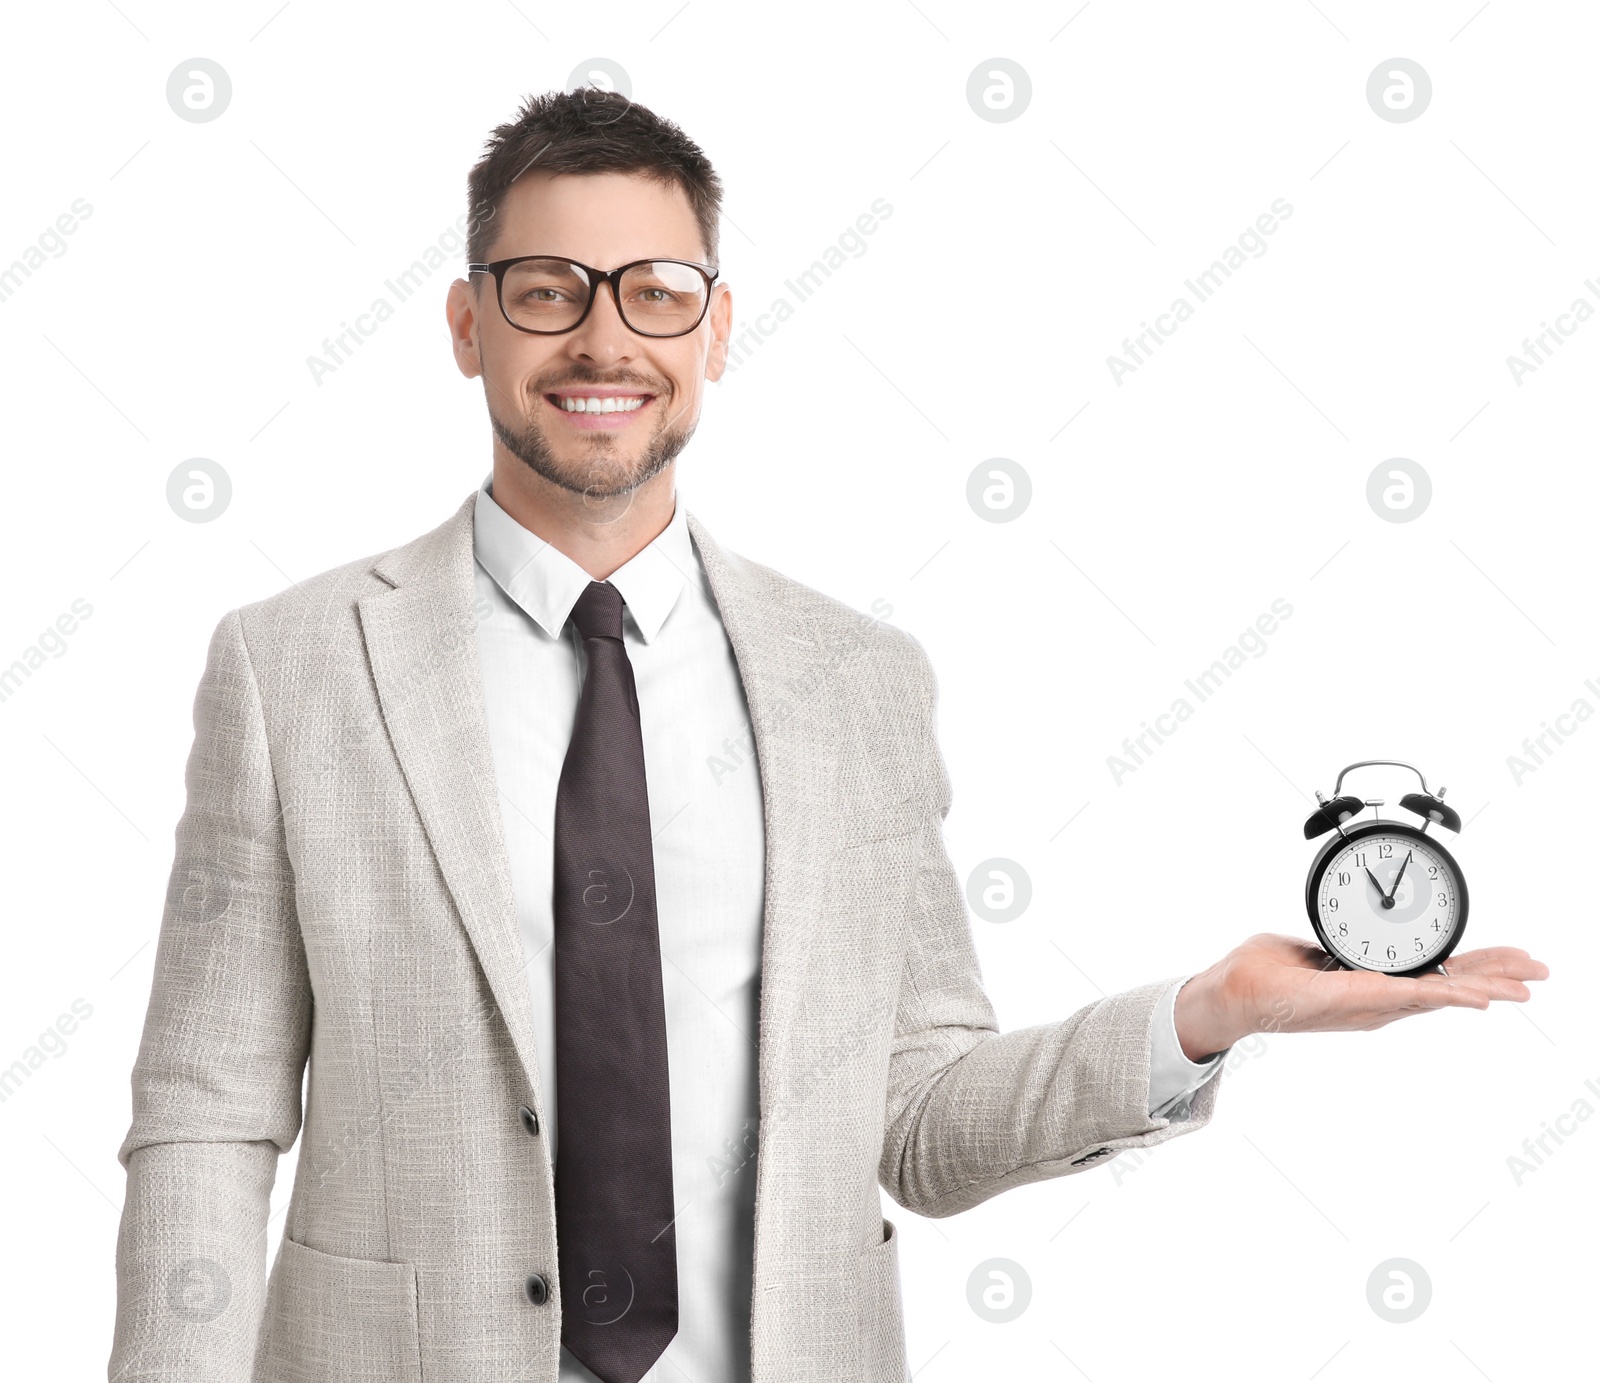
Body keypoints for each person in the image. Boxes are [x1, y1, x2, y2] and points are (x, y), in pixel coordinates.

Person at [109, 88, 1549, 1383]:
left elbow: (916, 1120)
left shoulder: (856, 686)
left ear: (717, 330)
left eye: (656, 292)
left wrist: (1208, 1013)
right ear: (467, 322)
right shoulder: (293, 667)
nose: (605, 336)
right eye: (548, 289)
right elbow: (208, 1116)